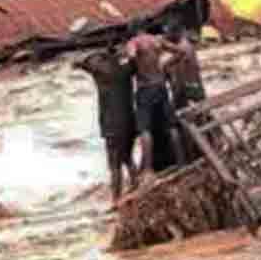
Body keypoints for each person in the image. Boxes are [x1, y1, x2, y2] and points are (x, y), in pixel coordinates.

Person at [73, 48, 139, 203]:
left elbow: (82, 64)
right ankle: (135, 184)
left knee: (114, 164)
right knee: (127, 157)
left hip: (112, 125)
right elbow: (134, 61)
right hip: (130, 122)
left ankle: (116, 199)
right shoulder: (126, 71)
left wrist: (86, 62)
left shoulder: (101, 75)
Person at [124, 27, 187, 180]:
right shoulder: (157, 40)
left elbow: (131, 56)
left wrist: (133, 66)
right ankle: (181, 162)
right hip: (160, 86)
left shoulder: (134, 42)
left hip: (145, 88)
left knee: (145, 129)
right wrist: (165, 65)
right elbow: (180, 52)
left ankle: (148, 169)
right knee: (170, 125)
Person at [164, 21, 207, 162]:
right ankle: (203, 154)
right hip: (196, 89)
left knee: (184, 126)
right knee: (202, 123)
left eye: (168, 33)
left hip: (188, 92)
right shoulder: (187, 47)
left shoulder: (182, 49)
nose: (166, 37)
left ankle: (189, 160)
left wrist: (175, 98)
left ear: (175, 32)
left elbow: (180, 78)